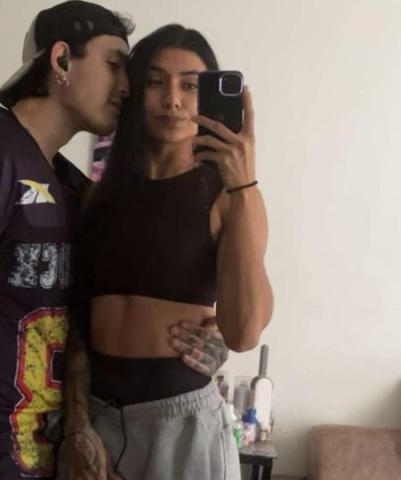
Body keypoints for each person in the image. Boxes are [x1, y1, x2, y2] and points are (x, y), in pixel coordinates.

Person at [0, 3, 228, 479]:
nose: (126, 87)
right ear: (62, 59)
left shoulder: (72, 187)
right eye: (114, 65)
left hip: (48, 459)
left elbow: (90, 312)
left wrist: (203, 337)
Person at [62, 24, 274, 480]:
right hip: (98, 420)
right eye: (156, 81)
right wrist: (77, 423)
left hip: (183, 426)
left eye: (190, 86)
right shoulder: (98, 197)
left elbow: (244, 331)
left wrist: (242, 183)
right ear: (135, 91)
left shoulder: (229, 196)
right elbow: (73, 318)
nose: (172, 99)